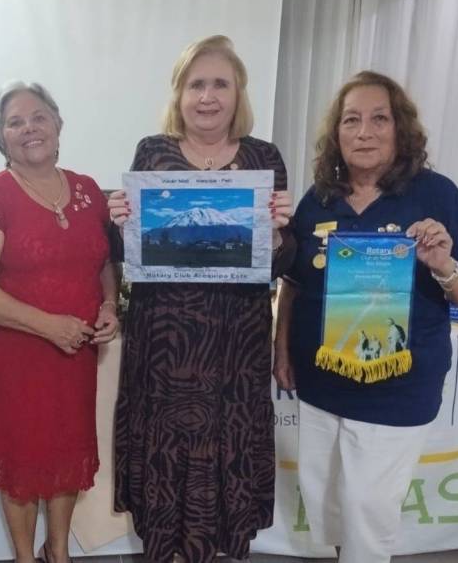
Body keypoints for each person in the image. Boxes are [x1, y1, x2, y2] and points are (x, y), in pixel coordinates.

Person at [273, 71, 458, 563]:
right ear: (337, 133)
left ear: (401, 130)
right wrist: (282, 350)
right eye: (351, 120)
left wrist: (443, 266)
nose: (364, 132)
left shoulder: (435, 194)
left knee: (368, 513)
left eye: (379, 119)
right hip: (319, 381)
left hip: (396, 388)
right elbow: (293, 284)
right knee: (328, 505)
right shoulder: (319, 198)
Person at [107, 35, 294, 563]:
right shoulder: (153, 152)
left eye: (220, 84)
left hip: (236, 344)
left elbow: (280, 263)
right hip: (164, 344)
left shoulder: (264, 158)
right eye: (196, 85)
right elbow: (130, 255)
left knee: (227, 443)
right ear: (179, 94)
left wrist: (278, 232)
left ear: (238, 94)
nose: (207, 97)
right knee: (165, 447)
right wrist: (120, 225)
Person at [0, 82, 118, 563]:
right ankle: (26, 557)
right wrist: (48, 326)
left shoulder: (88, 190)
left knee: (66, 454)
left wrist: (109, 305)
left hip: (75, 354)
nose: (30, 128)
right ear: (1, 137)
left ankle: (58, 551)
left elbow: (103, 262)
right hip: (15, 357)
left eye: (39, 117)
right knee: (22, 462)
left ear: (58, 124)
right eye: (15, 122)